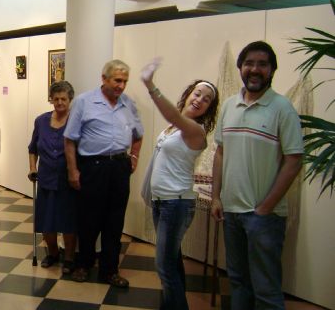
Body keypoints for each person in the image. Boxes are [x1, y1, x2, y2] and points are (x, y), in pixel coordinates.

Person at [211, 41, 303, 310]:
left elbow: (294, 161)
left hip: (264, 217)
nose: (255, 69)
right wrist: (216, 197)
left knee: (266, 289)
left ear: (272, 70)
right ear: (241, 67)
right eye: (249, 63)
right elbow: (220, 152)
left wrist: (265, 208)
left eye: (262, 64)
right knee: (238, 281)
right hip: (232, 213)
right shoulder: (229, 105)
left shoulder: (282, 108)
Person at [140, 59, 219, 310]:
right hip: (162, 201)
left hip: (177, 203)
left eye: (206, 99)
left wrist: (150, 84)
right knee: (172, 262)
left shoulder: (195, 130)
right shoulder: (172, 128)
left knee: (164, 266)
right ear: (189, 94)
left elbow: (172, 112)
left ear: (208, 109)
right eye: (198, 93)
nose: (199, 99)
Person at [64, 59, 144, 288]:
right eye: (117, 80)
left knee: (115, 221)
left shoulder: (129, 104)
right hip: (92, 167)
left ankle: (109, 270)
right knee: (88, 219)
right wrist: (73, 170)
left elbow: (138, 134)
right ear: (104, 78)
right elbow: (69, 139)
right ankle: (83, 264)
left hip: (119, 167)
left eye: (125, 81)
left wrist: (135, 157)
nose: (121, 86)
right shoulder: (84, 102)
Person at [28, 81, 77, 274]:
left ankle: (70, 258)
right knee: (46, 221)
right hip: (46, 178)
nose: (59, 102)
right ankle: (53, 253)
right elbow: (32, 148)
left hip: (68, 180)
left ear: (70, 100)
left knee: (68, 221)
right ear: (51, 99)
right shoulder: (41, 121)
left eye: (63, 98)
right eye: (55, 98)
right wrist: (33, 168)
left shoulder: (76, 121)